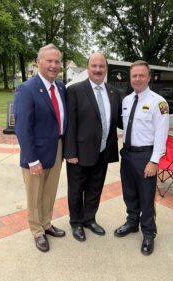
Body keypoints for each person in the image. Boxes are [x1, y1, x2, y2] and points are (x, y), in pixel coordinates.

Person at [13, 44, 67, 252]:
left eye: (57, 62)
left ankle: (46, 223)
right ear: (38, 62)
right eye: (49, 61)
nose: (54, 66)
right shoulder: (27, 89)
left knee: (49, 192)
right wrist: (32, 159)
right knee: (34, 195)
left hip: (57, 147)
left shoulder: (61, 87)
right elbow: (22, 127)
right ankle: (37, 231)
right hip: (35, 152)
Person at [64, 52, 122, 242]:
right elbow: (70, 124)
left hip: (103, 153)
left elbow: (119, 121)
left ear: (106, 69)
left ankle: (89, 219)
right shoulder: (74, 90)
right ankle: (76, 223)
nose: (98, 69)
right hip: (79, 154)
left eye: (101, 66)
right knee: (76, 191)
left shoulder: (114, 93)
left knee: (95, 189)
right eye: (94, 66)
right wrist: (70, 152)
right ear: (88, 68)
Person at [114, 60, 169, 256]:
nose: (137, 79)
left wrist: (154, 161)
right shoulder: (127, 100)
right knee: (129, 193)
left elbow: (161, 134)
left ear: (149, 77)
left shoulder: (159, 103)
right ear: (130, 79)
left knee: (146, 197)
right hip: (127, 154)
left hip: (146, 156)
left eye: (141, 75)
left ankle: (148, 233)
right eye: (134, 76)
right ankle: (132, 223)